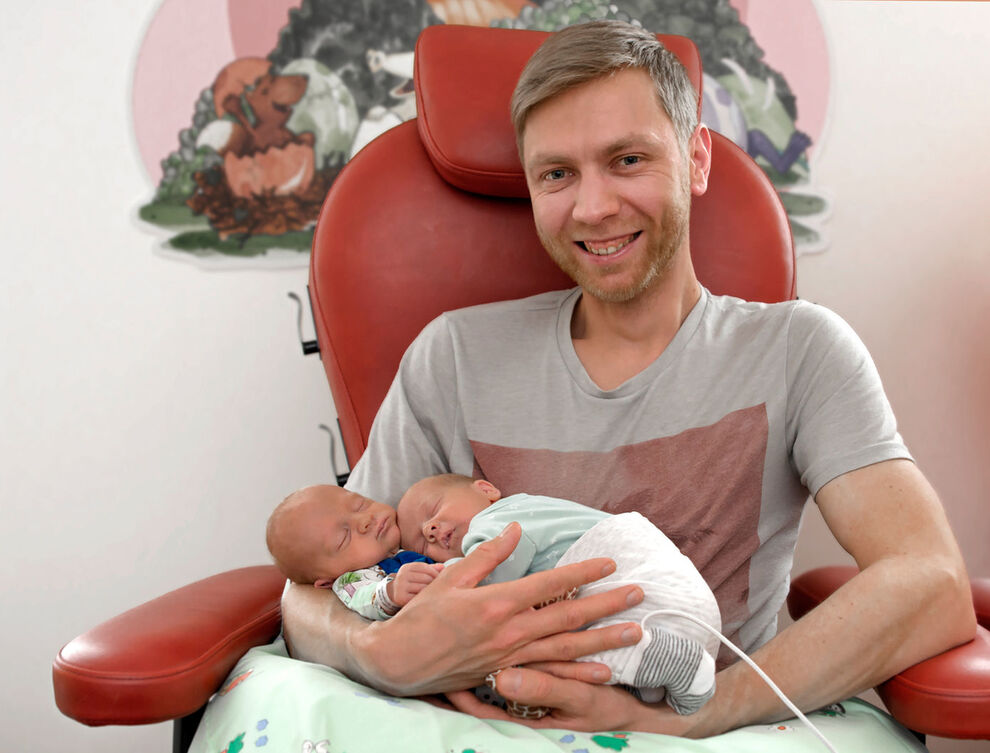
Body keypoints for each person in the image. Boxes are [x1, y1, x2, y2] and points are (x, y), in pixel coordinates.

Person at [282, 19, 976, 737]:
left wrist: (701, 714)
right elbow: (307, 595)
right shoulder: (451, 357)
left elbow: (930, 581)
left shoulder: (801, 349)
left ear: (696, 159)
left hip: (712, 727)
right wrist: (386, 651)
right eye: (557, 174)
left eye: (627, 159)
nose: (593, 207)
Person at [398, 473, 722, 715]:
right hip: (674, 601)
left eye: (434, 509)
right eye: (421, 544)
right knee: (590, 671)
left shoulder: (497, 519)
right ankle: (664, 672)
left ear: (486, 491)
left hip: (628, 568)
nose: (430, 529)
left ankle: (671, 663)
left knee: (542, 662)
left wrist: (435, 582)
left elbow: (486, 574)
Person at [265, 484, 443, 620]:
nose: (365, 520)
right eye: (344, 537)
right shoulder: (352, 580)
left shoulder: (407, 524)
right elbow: (367, 598)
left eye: (360, 505)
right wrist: (391, 591)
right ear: (327, 582)